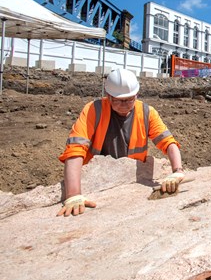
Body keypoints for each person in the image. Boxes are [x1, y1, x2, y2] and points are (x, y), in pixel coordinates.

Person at [57, 68, 185, 217]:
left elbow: (168, 142)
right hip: (97, 180)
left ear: (136, 95)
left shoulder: (147, 112)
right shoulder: (93, 110)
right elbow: (75, 149)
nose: (124, 104)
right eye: (119, 100)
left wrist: (177, 171)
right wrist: (73, 194)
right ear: (108, 96)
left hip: (130, 181)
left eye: (129, 99)